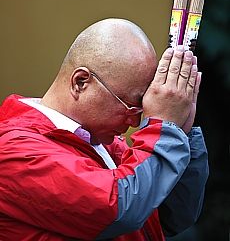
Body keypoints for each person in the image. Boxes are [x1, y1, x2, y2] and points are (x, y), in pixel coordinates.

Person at [0, 18, 208, 241]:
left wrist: (179, 134)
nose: (136, 123)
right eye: (130, 106)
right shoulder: (14, 152)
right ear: (80, 82)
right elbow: (119, 210)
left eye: (142, 109)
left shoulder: (101, 143)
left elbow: (171, 216)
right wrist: (163, 131)